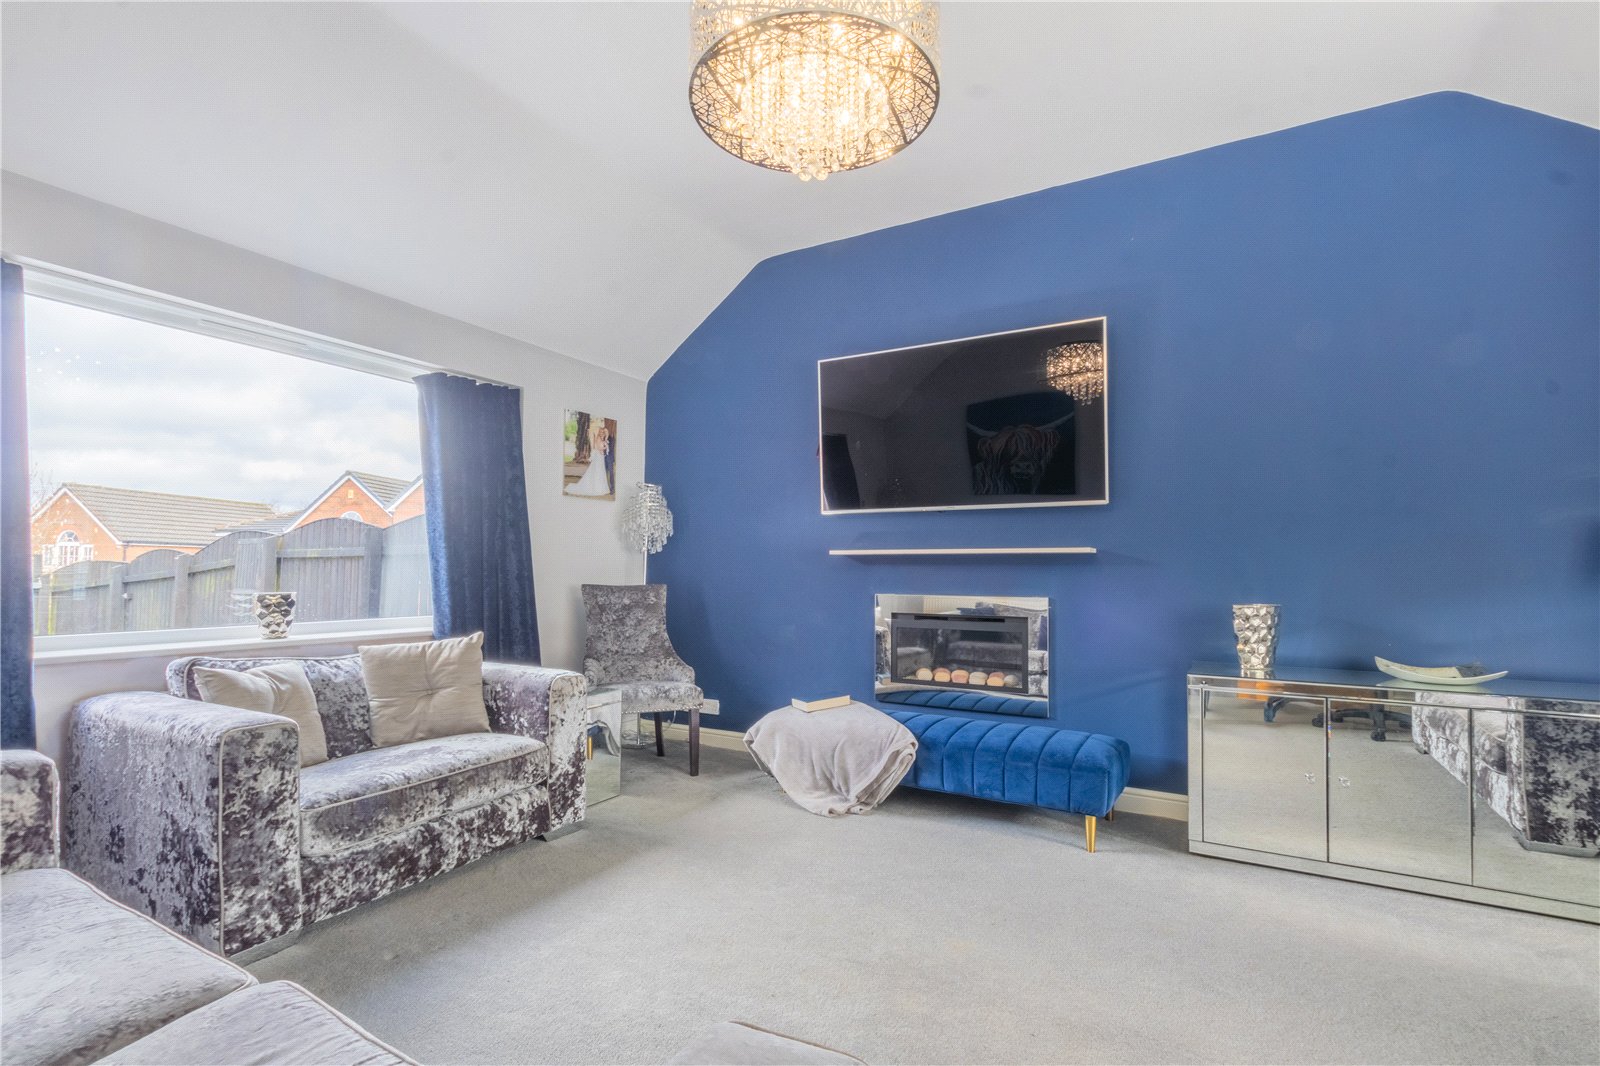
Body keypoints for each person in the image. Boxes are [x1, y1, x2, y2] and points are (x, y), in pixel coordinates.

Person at [567, 422, 613, 497]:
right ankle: (597, 488)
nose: (602, 433)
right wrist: (605, 446)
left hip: (601, 457)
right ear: (599, 432)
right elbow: (599, 448)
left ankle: (601, 487)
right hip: (599, 457)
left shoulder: (602, 438)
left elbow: (605, 435)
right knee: (598, 471)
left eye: (603, 432)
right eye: (601, 432)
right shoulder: (598, 438)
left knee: (600, 471)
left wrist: (605, 442)